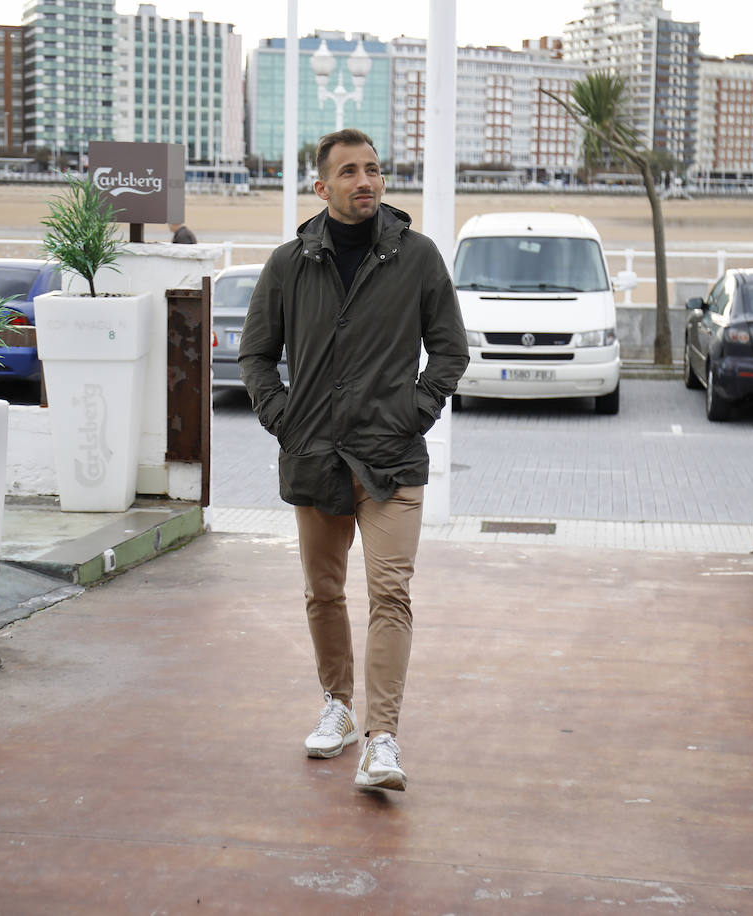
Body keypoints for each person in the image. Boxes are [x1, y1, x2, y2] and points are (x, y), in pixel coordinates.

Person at [239, 129, 467, 792]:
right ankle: (337, 705)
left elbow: (449, 351)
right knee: (323, 591)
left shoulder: (418, 258)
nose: (365, 181)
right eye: (349, 172)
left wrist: (413, 411)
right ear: (322, 186)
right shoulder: (289, 264)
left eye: (373, 169)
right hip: (314, 456)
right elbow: (256, 355)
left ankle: (382, 739)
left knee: (390, 592)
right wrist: (281, 418)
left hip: (391, 458)